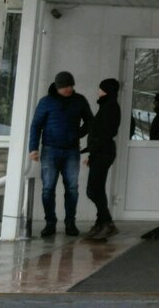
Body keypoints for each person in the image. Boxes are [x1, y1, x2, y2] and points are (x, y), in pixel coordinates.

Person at [29, 71, 93, 237]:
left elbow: (90, 121)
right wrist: (33, 148)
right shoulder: (46, 102)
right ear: (58, 87)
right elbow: (36, 125)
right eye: (65, 86)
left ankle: (70, 223)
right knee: (48, 189)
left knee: (72, 188)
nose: (69, 89)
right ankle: (50, 223)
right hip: (50, 150)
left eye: (71, 85)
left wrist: (78, 134)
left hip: (72, 151)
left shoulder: (79, 100)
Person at [83, 78, 121, 240]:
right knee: (96, 189)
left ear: (106, 90)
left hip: (103, 152)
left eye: (100, 88)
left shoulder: (110, 107)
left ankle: (107, 223)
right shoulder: (106, 106)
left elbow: (105, 134)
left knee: (93, 190)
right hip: (100, 152)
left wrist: (91, 151)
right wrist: (91, 153)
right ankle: (101, 223)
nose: (98, 91)